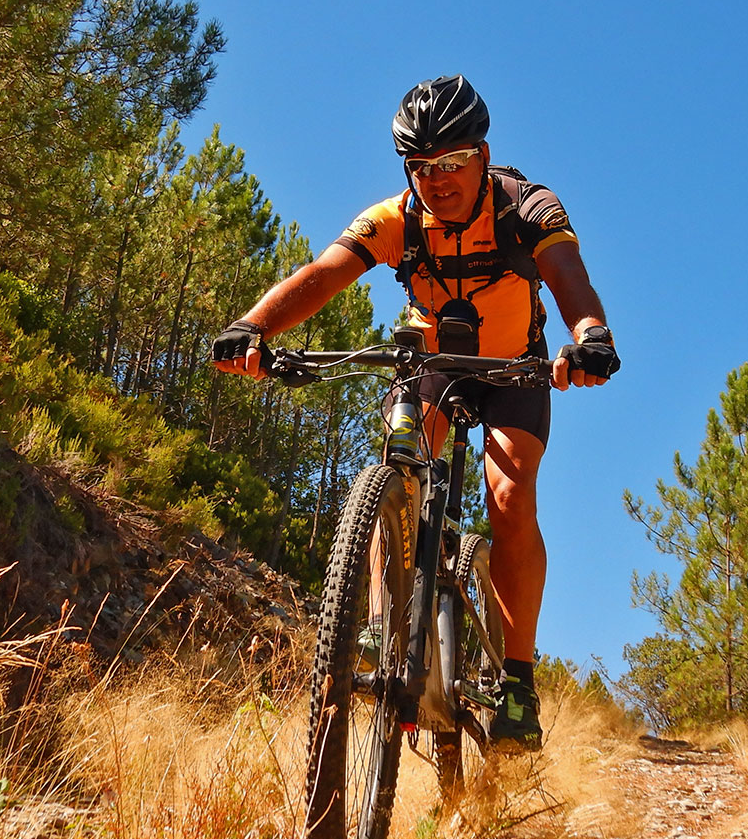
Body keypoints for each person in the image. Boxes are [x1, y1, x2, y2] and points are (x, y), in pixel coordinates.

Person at [210, 75, 619, 750]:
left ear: (482, 155)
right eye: (421, 167)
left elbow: (570, 277)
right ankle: (377, 624)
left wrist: (590, 339)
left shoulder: (528, 207)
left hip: (516, 366)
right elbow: (323, 271)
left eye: (452, 163)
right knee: (396, 467)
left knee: (510, 493)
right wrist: (251, 327)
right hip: (433, 362)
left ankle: (517, 682)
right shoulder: (396, 218)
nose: (437, 180)